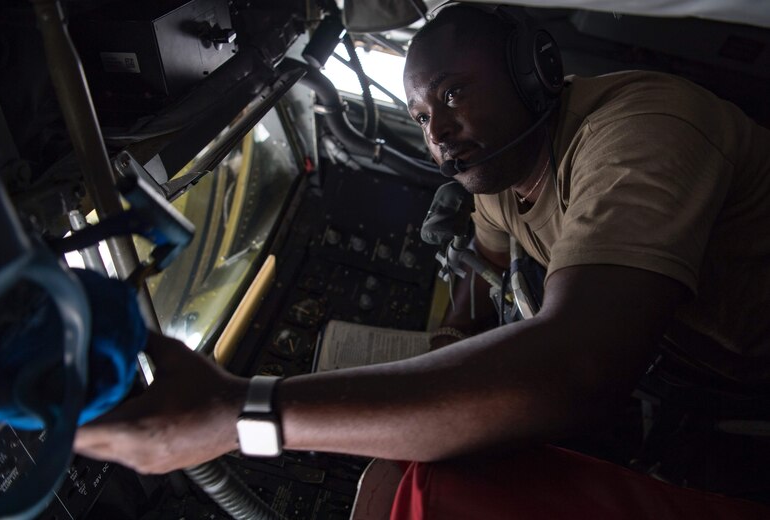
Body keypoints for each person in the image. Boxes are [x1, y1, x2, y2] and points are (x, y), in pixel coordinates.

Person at [75, 3, 770, 485]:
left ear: (538, 72)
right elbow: (488, 256)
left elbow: (580, 370)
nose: (436, 132)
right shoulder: (501, 166)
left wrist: (241, 416)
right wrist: (453, 332)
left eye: (453, 93)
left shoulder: (644, 130)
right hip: (687, 358)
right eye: (419, 115)